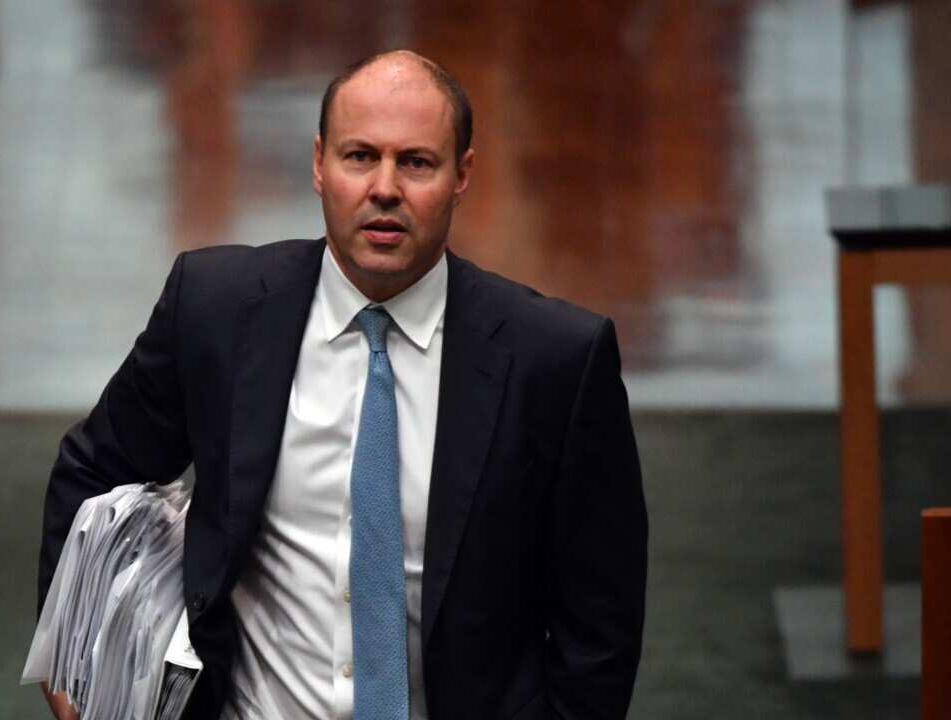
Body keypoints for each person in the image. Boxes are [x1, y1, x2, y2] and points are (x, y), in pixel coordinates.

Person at [37, 49, 647, 720]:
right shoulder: (215, 309)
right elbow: (96, 469)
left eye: (416, 162)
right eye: (360, 157)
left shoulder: (556, 360)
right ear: (320, 164)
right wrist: (75, 656)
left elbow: (600, 624)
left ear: (462, 175)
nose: (384, 188)